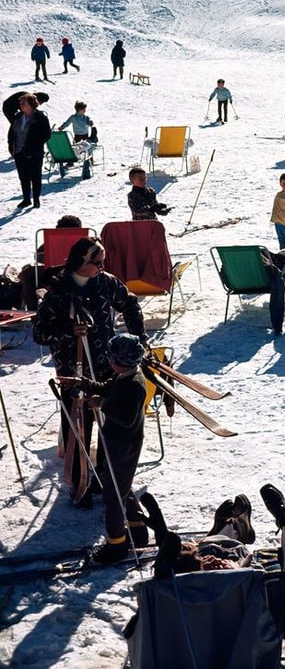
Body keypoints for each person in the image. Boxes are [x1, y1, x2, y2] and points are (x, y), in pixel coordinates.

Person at [33, 239, 148, 505]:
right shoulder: (59, 291)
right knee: (78, 426)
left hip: (109, 368)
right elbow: (39, 332)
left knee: (111, 425)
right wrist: (66, 328)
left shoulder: (106, 282)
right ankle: (80, 482)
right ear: (81, 263)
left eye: (102, 262)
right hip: (74, 369)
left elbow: (130, 304)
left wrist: (139, 337)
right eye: (97, 263)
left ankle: (108, 478)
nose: (102, 267)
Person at [63, 334, 149, 562]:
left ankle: (116, 545)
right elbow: (106, 388)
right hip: (116, 440)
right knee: (119, 484)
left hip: (125, 443)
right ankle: (137, 527)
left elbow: (127, 417)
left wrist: (102, 404)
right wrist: (81, 382)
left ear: (121, 360)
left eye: (112, 358)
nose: (109, 361)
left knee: (113, 496)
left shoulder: (134, 385)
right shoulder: (124, 375)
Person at [8, 93, 51, 209]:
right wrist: (10, 144)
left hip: (34, 153)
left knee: (35, 176)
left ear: (31, 105)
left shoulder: (40, 117)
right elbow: (12, 131)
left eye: (23, 103)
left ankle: (36, 199)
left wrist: (34, 146)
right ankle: (26, 199)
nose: (21, 105)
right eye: (20, 103)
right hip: (19, 152)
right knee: (23, 177)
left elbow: (47, 134)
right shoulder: (18, 117)